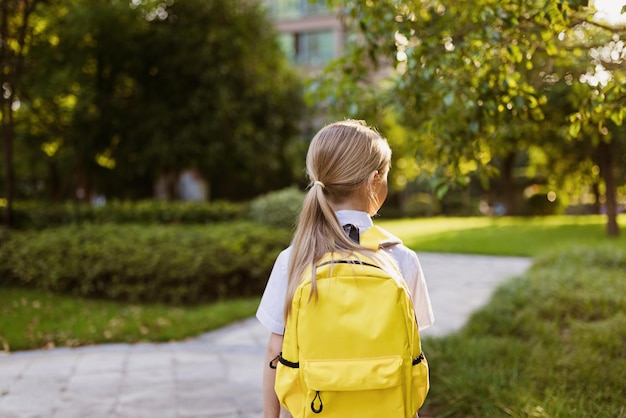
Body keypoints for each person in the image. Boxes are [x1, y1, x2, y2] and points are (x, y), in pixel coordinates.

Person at [256, 119, 434, 418]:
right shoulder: (400, 259)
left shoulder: (294, 258)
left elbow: (276, 352)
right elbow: (411, 353)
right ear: (374, 180)